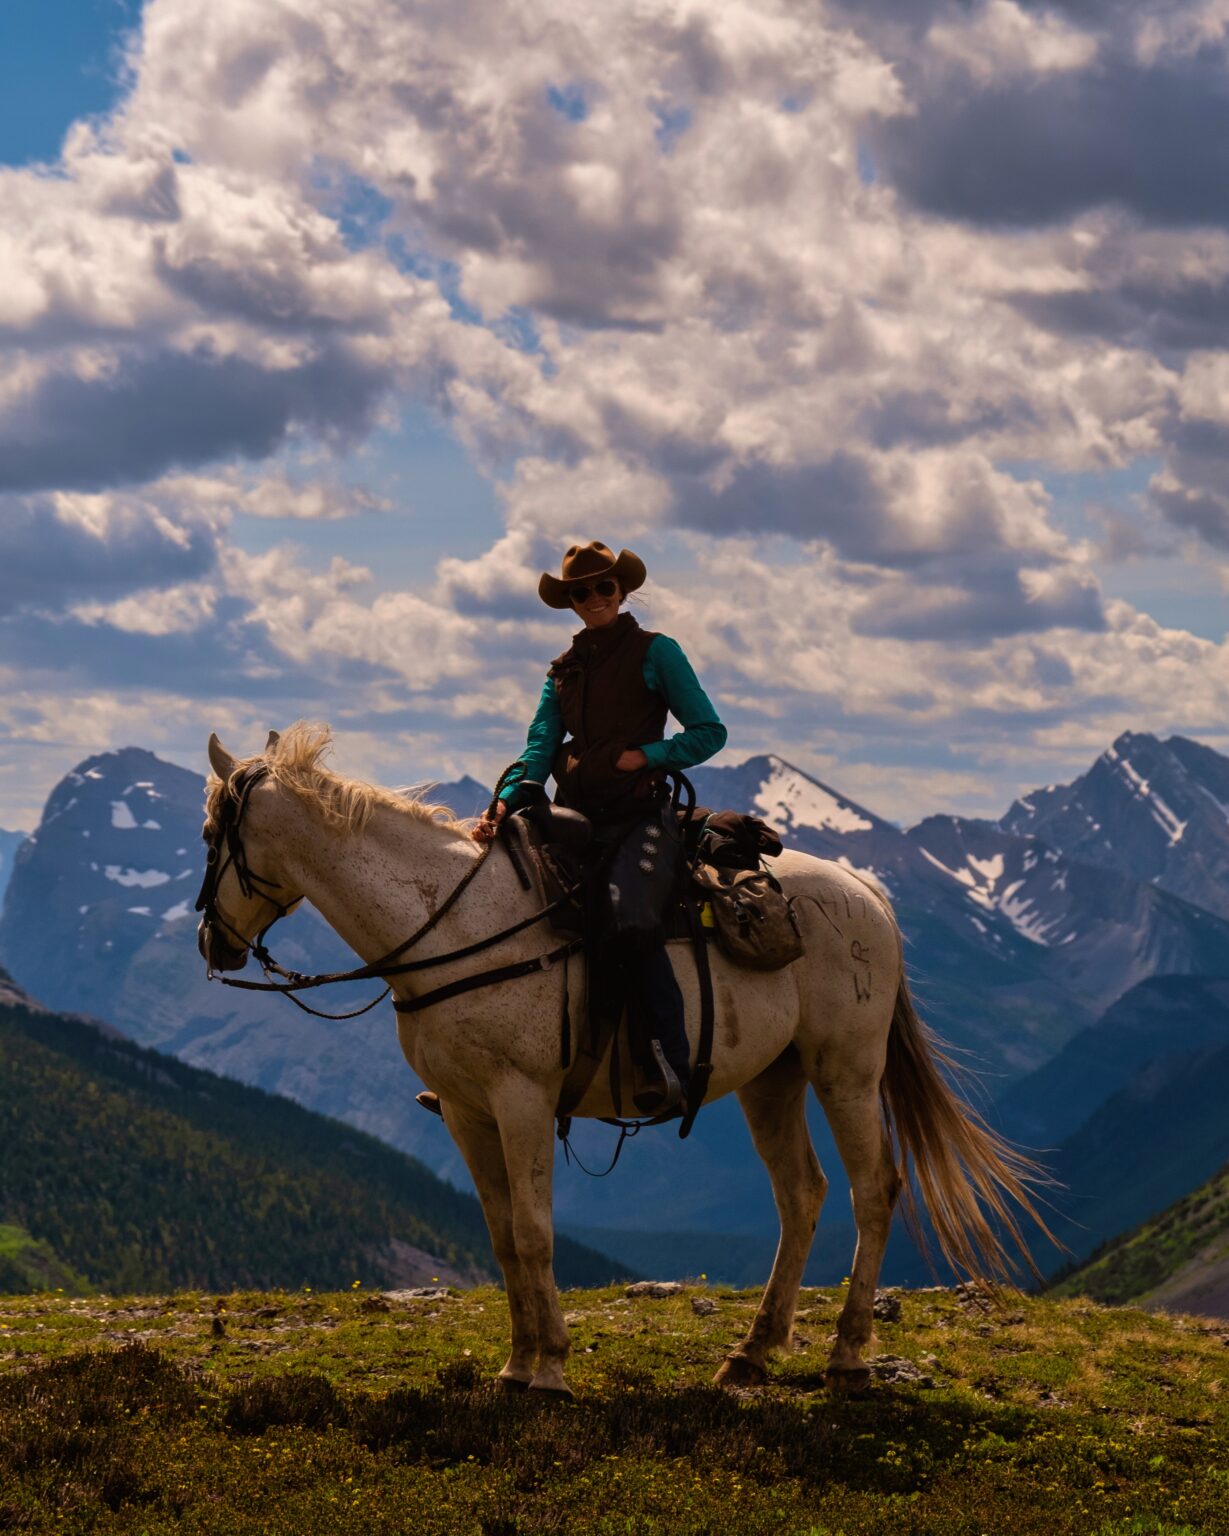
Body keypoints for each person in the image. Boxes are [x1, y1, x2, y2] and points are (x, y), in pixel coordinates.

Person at [416, 539, 727, 1119]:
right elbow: (539, 746)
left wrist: (649, 756)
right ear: (570, 601)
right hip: (574, 819)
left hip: (640, 816)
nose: (593, 599)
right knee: (498, 902)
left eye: (602, 587)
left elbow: (709, 732)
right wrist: (505, 803)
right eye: (580, 592)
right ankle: (478, 1068)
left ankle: (672, 1066)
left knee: (630, 921)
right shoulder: (562, 671)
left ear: (622, 589)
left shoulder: (657, 652)